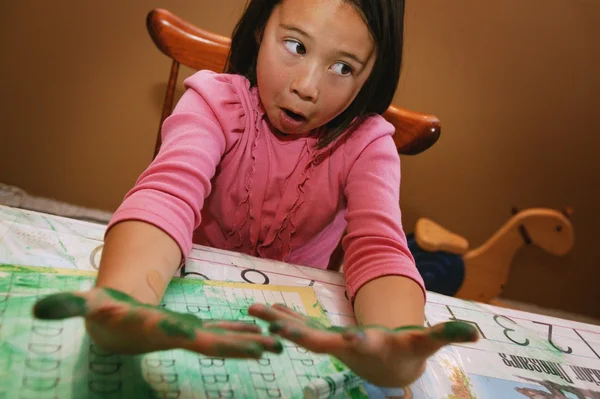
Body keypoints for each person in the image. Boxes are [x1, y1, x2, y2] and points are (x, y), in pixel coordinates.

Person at [33, 0, 478, 389]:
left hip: (292, 333)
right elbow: (167, 196)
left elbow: (379, 246)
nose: (307, 85)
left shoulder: (367, 145)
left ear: (371, 76)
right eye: (296, 46)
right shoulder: (213, 104)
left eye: (343, 67)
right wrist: (125, 298)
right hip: (182, 309)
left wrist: (392, 339)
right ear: (261, 26)